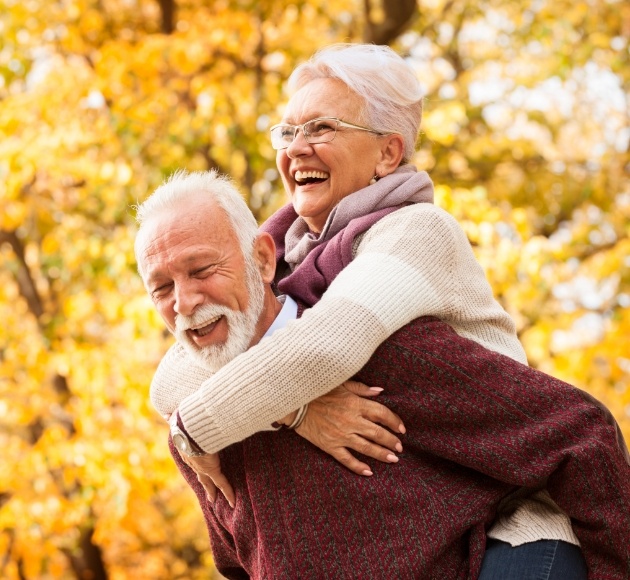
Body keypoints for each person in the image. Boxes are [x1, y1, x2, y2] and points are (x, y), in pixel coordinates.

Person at [148, 45, 594, 575]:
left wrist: (193, 429)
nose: (297, 149)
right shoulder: (285, 255)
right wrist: (298, 413)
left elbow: (327, 346)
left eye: (321, 128)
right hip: (428, 521)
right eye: (287, 132)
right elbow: (175, 374)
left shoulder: (418, 233)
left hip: (507, 521)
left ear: (387, 154)